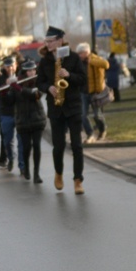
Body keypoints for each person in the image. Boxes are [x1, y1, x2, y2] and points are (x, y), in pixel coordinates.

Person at [36, 26, 87, 194]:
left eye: (50, 41)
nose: (48, 44)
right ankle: (58, 173)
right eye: (46, 41)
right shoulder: (45, 61)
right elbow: (39, 82)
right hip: (56, 108)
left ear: (60, 40)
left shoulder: (72, 57)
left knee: (77, 145)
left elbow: (83, 79)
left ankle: (78, 180)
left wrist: (69, 75)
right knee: (58, 147)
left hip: (73, 106)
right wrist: (48, 87)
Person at [4, 60, 46, 183]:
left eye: (33, 70)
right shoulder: (17, 82)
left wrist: (19, 88)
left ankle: (36, 173)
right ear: (24, 71)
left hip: (37, 118)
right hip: (23, 120)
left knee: (37, 146)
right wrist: (6, 91)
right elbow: (9, 102)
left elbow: (36, 96)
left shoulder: (39, 82)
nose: (31, 72)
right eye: (29, 70)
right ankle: (26, 168)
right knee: (26, 147)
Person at [77, 43, 109, 143]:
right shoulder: (79, 62)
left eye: (80, 53)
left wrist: (92, 61)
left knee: (97, 115)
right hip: (83, 93)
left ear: (86, 52)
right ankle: (90, 134)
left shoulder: (95, 59)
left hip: (95, 93)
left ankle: (103, 130)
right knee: (83, 115)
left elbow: (106, 65)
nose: (79, 56)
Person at [0, 56, 19, 171]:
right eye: (8, 66)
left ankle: (22, 165)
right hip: (5, 113)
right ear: (4, 67)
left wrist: (16, 85)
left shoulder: (21, 76)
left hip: (19, 112)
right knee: (7, 141)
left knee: (22, 140)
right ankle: (11, 158)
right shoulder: (0, 79)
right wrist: (6, 86)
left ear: (16, 65)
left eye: (12, 65)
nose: (10, 68)